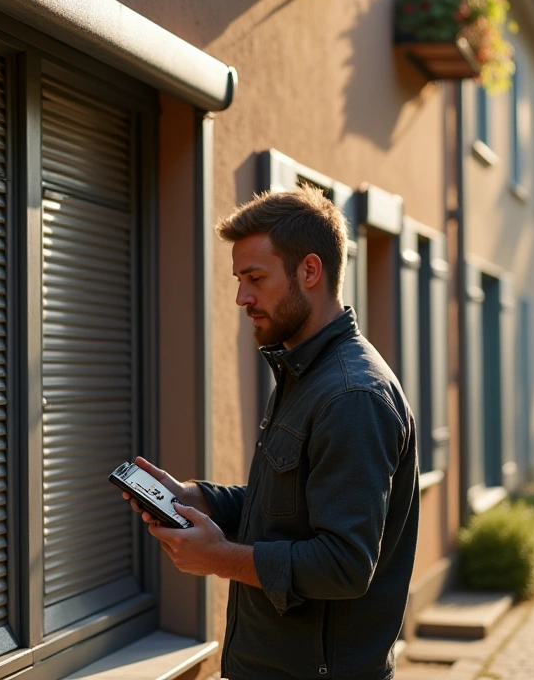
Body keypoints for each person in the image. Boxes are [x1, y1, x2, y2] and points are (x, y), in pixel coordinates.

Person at [120, 186, 419, 679]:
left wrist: (219, 558)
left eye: (255, 278)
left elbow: (344, 565)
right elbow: (287, 507)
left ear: (310, 271)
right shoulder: (304, 374)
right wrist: (196, 497)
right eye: (239, 279)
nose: (242, 297)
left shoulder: (352, 397)